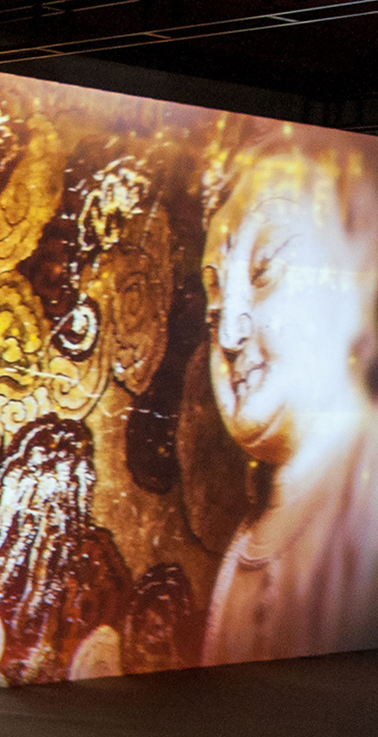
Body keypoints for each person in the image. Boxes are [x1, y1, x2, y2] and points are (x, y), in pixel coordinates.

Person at [199, 126, 378, 665]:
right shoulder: (245, 548)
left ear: (363, 275)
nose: (228, 333)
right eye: (213, 305)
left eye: (265, 271)